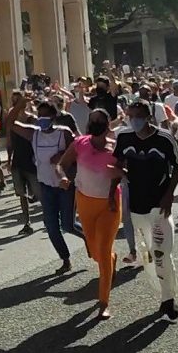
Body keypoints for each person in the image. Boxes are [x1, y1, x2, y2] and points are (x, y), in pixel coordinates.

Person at [114, 100, 178, 320]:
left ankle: (168, 299)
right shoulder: (124, 138)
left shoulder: (164, 139)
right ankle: (163, 294)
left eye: (139, 115)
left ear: (148, 116)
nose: (134, 120)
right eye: (130, 115)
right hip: (136, 207)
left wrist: (169, 195)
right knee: (150, 254)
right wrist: (120, 173)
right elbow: (117, 161)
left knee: (162, 252)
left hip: (159, 206)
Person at [56, 109, 124, 319]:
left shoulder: (115, 147)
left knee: (102, 251)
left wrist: (119, 177)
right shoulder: (80, 143)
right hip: (84, 202)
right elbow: (61, 164)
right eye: (92, 120)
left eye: (99, 121)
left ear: (107, 125)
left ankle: (103, 303)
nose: (94, 123)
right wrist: (62, 177)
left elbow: (123, 173)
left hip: (109, 204)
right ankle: (111, 258)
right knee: (96, 253)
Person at [12, 98, 84, 271]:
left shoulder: (63, 133)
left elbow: (79, 149)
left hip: (65, 186)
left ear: (53, 116)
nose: (42, 119)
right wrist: (19, 106)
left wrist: (62, 154)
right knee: (51, 226)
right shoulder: (33, 133)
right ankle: (65, 259)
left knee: (68, 225)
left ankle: (89, 239)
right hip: (46, 186)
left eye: (46, 115)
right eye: (39, 115)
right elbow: (10, 123)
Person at [3, 92, 40, 235]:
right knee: (21, 194)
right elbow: (9, 140)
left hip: (32, 160)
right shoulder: (11, 122)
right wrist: (9, 158)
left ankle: (51, 218)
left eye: (18, 101)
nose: (15, 104)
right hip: (18, 160)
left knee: (38, 191)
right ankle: (27, 222)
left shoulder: (32, 118)